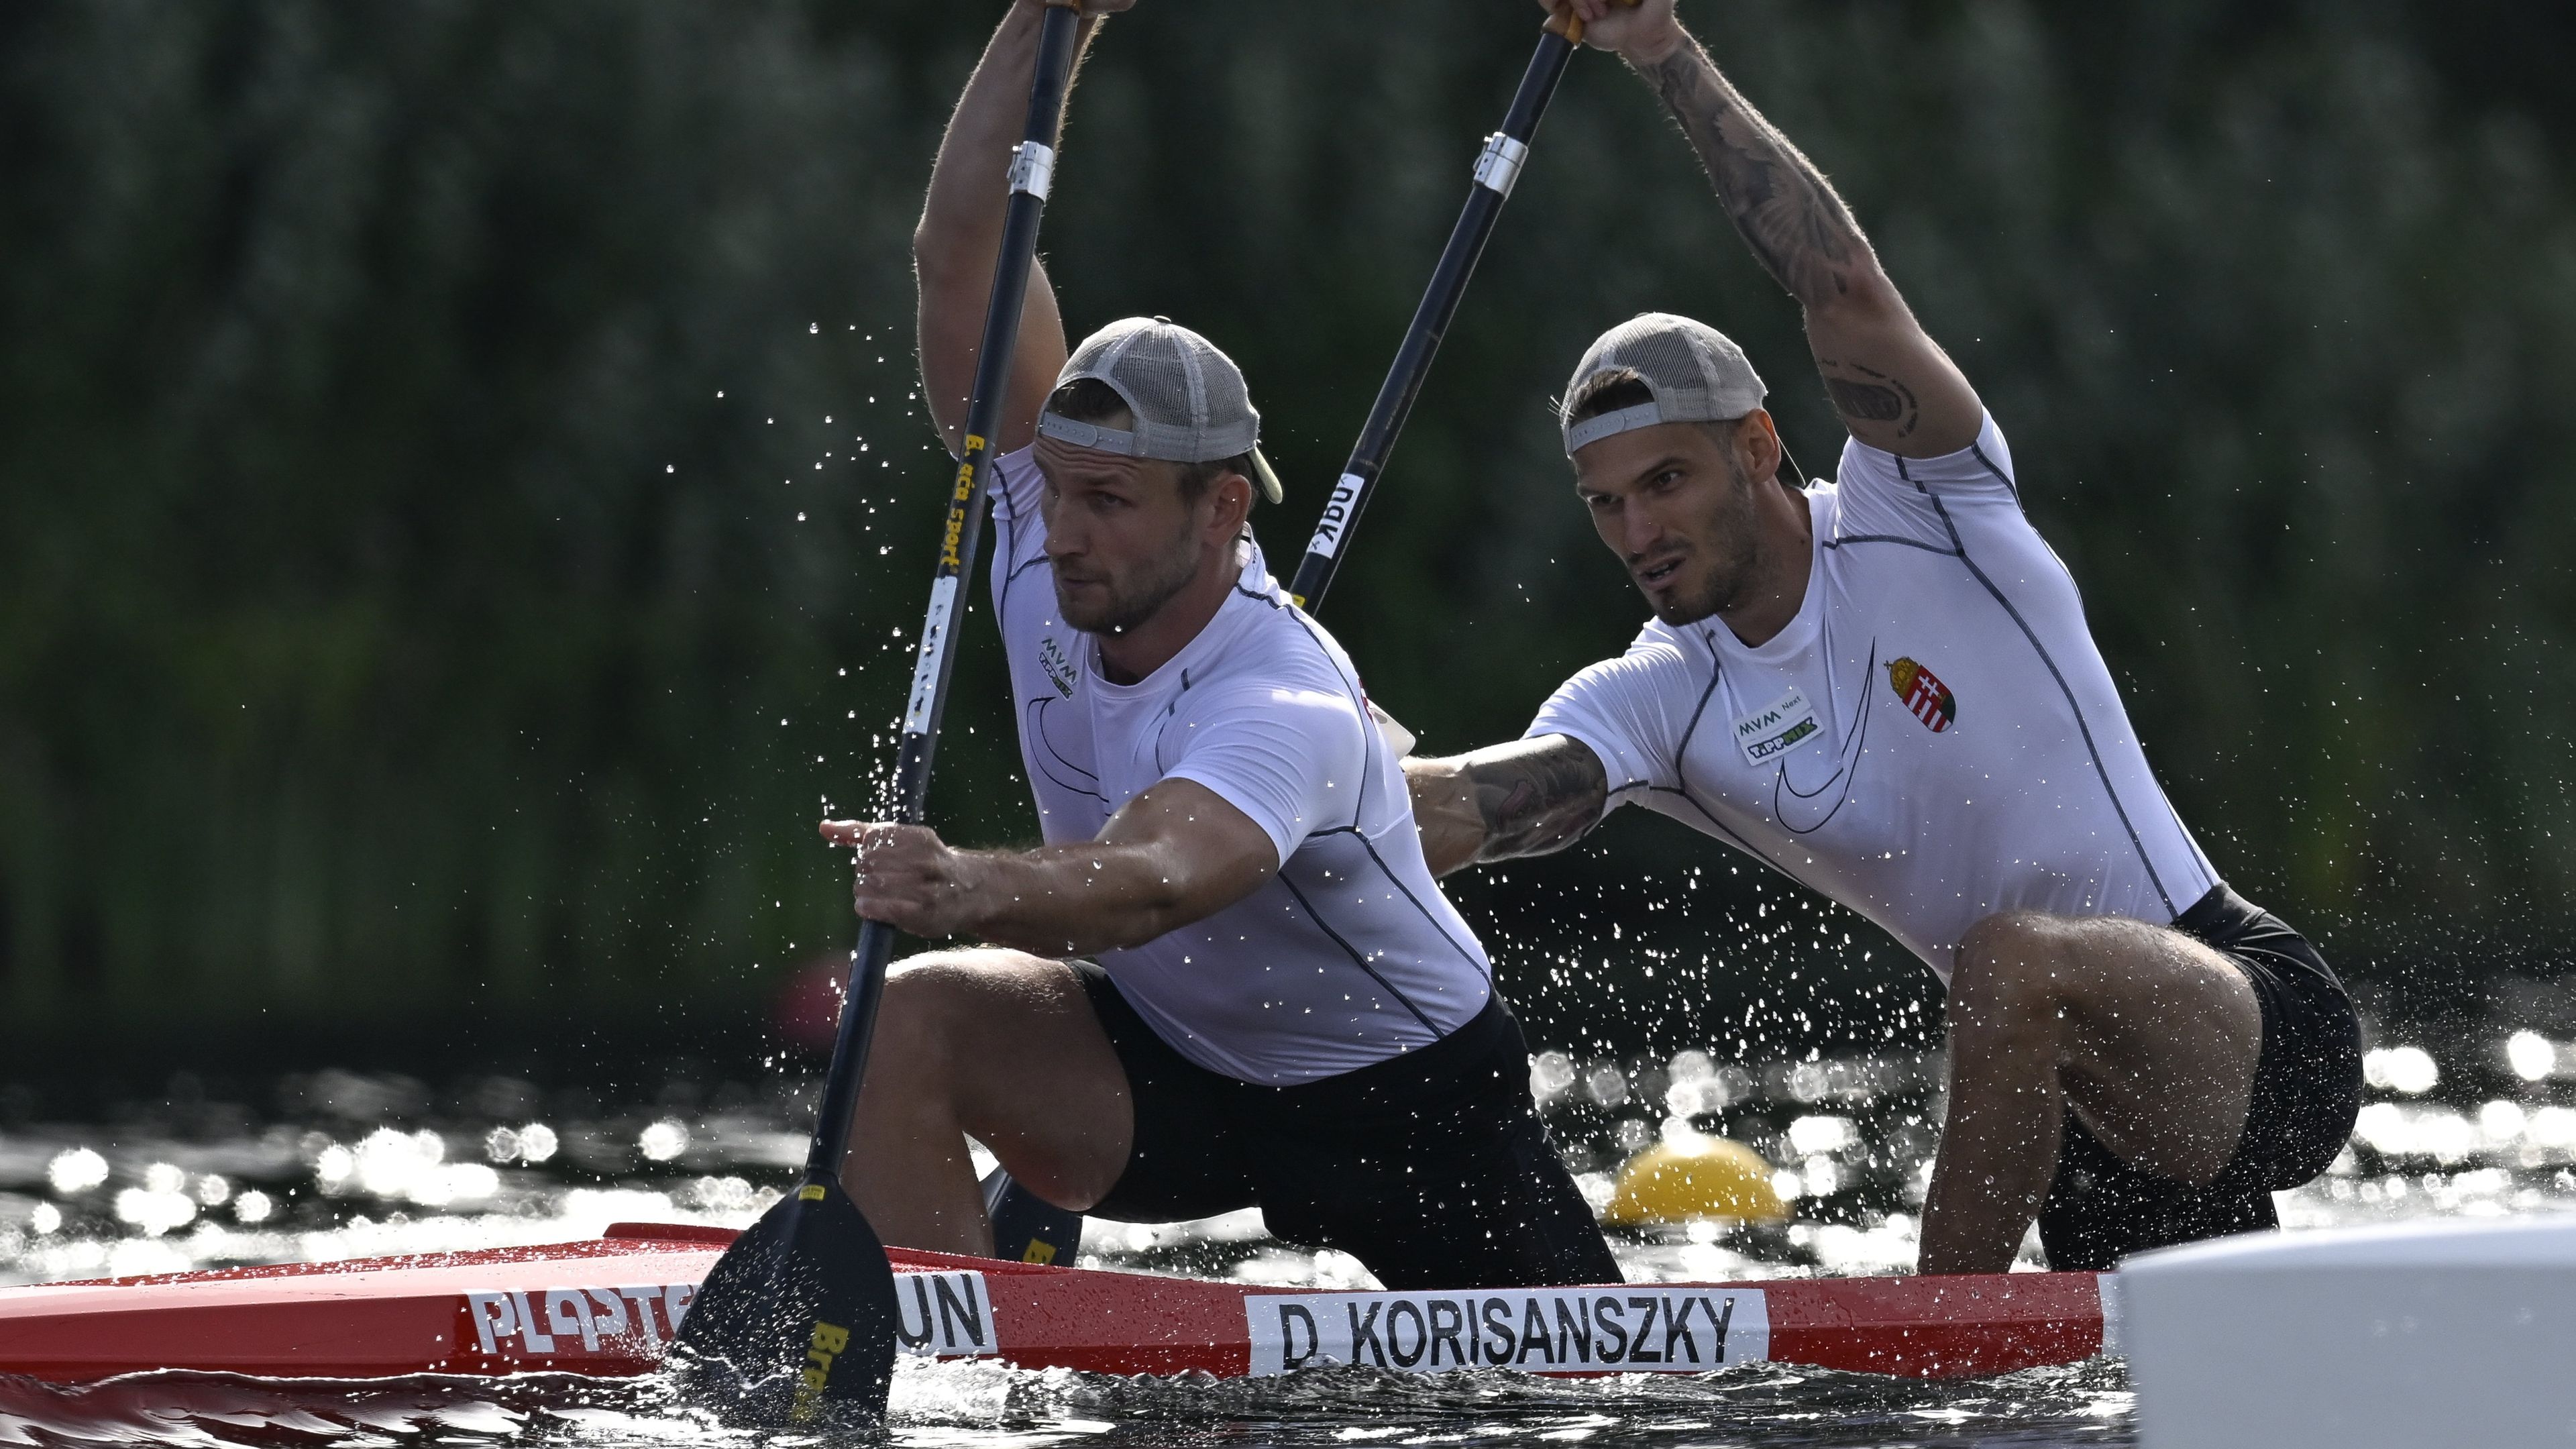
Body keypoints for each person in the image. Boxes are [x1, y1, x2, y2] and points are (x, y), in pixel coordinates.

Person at [1407, 0, 2361, 1273]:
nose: (1638, 530)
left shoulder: (1927, 503)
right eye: (1607, 503)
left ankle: (1927, 1352)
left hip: (2246, 1019)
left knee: (2008, 961)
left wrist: (1660, 53)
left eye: (1668, 482)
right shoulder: (1657, 698)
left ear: (1758, 447)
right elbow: (1462, 808)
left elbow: (1839, 281)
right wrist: (1271, 768)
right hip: (2070, 1110)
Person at [819, 0, 1619, 1291]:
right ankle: (941, 1373)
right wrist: (1054, 16)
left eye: (1111, 504)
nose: (1063, 532)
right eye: (1058, 488)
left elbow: (1156, 882)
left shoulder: (1283, 697)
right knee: (906, 1020)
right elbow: (962, 250)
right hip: (1172, 1070)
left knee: (1569, 1414)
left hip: (1406, 1104)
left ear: (1221, 507)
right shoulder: (1039, 516)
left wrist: (964, 884)